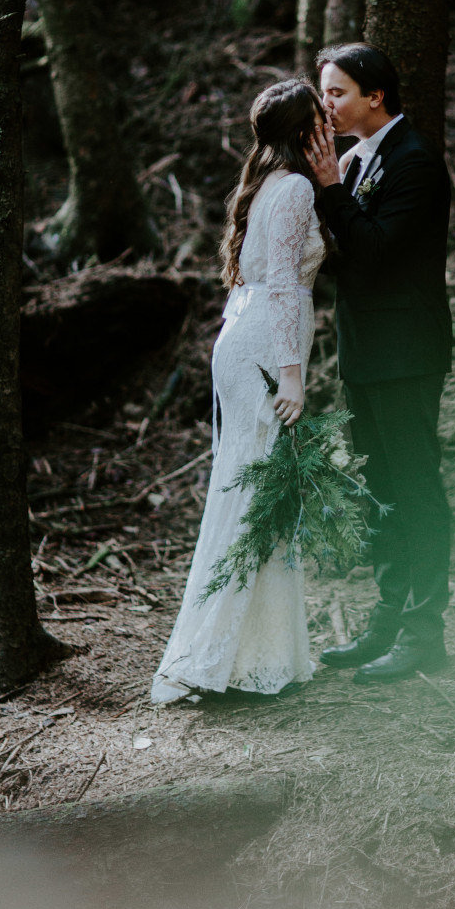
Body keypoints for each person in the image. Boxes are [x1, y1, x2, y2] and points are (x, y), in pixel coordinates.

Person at [152, 79, 330, 702]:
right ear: (306, 130)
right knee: (257, 502)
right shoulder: (297, 188)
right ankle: (217, 656)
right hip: (262, 352)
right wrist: (290, 374)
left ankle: (258, 653)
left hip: (243, 337)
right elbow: (281, 282)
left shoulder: (268, 184)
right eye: (321, 118)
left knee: (254, 497)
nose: (329, 125)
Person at [305, 42, 453, 684]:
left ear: (376, 97)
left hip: (408, 354)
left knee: (416, 488)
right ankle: (388, 620)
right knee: (381, 492)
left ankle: (426, 634)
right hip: (364, 353)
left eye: (336, 92)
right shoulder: (355, 159)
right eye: (324, 92)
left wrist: (332, 191)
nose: (326, 104)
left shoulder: (414, 161)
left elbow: (376, 252)